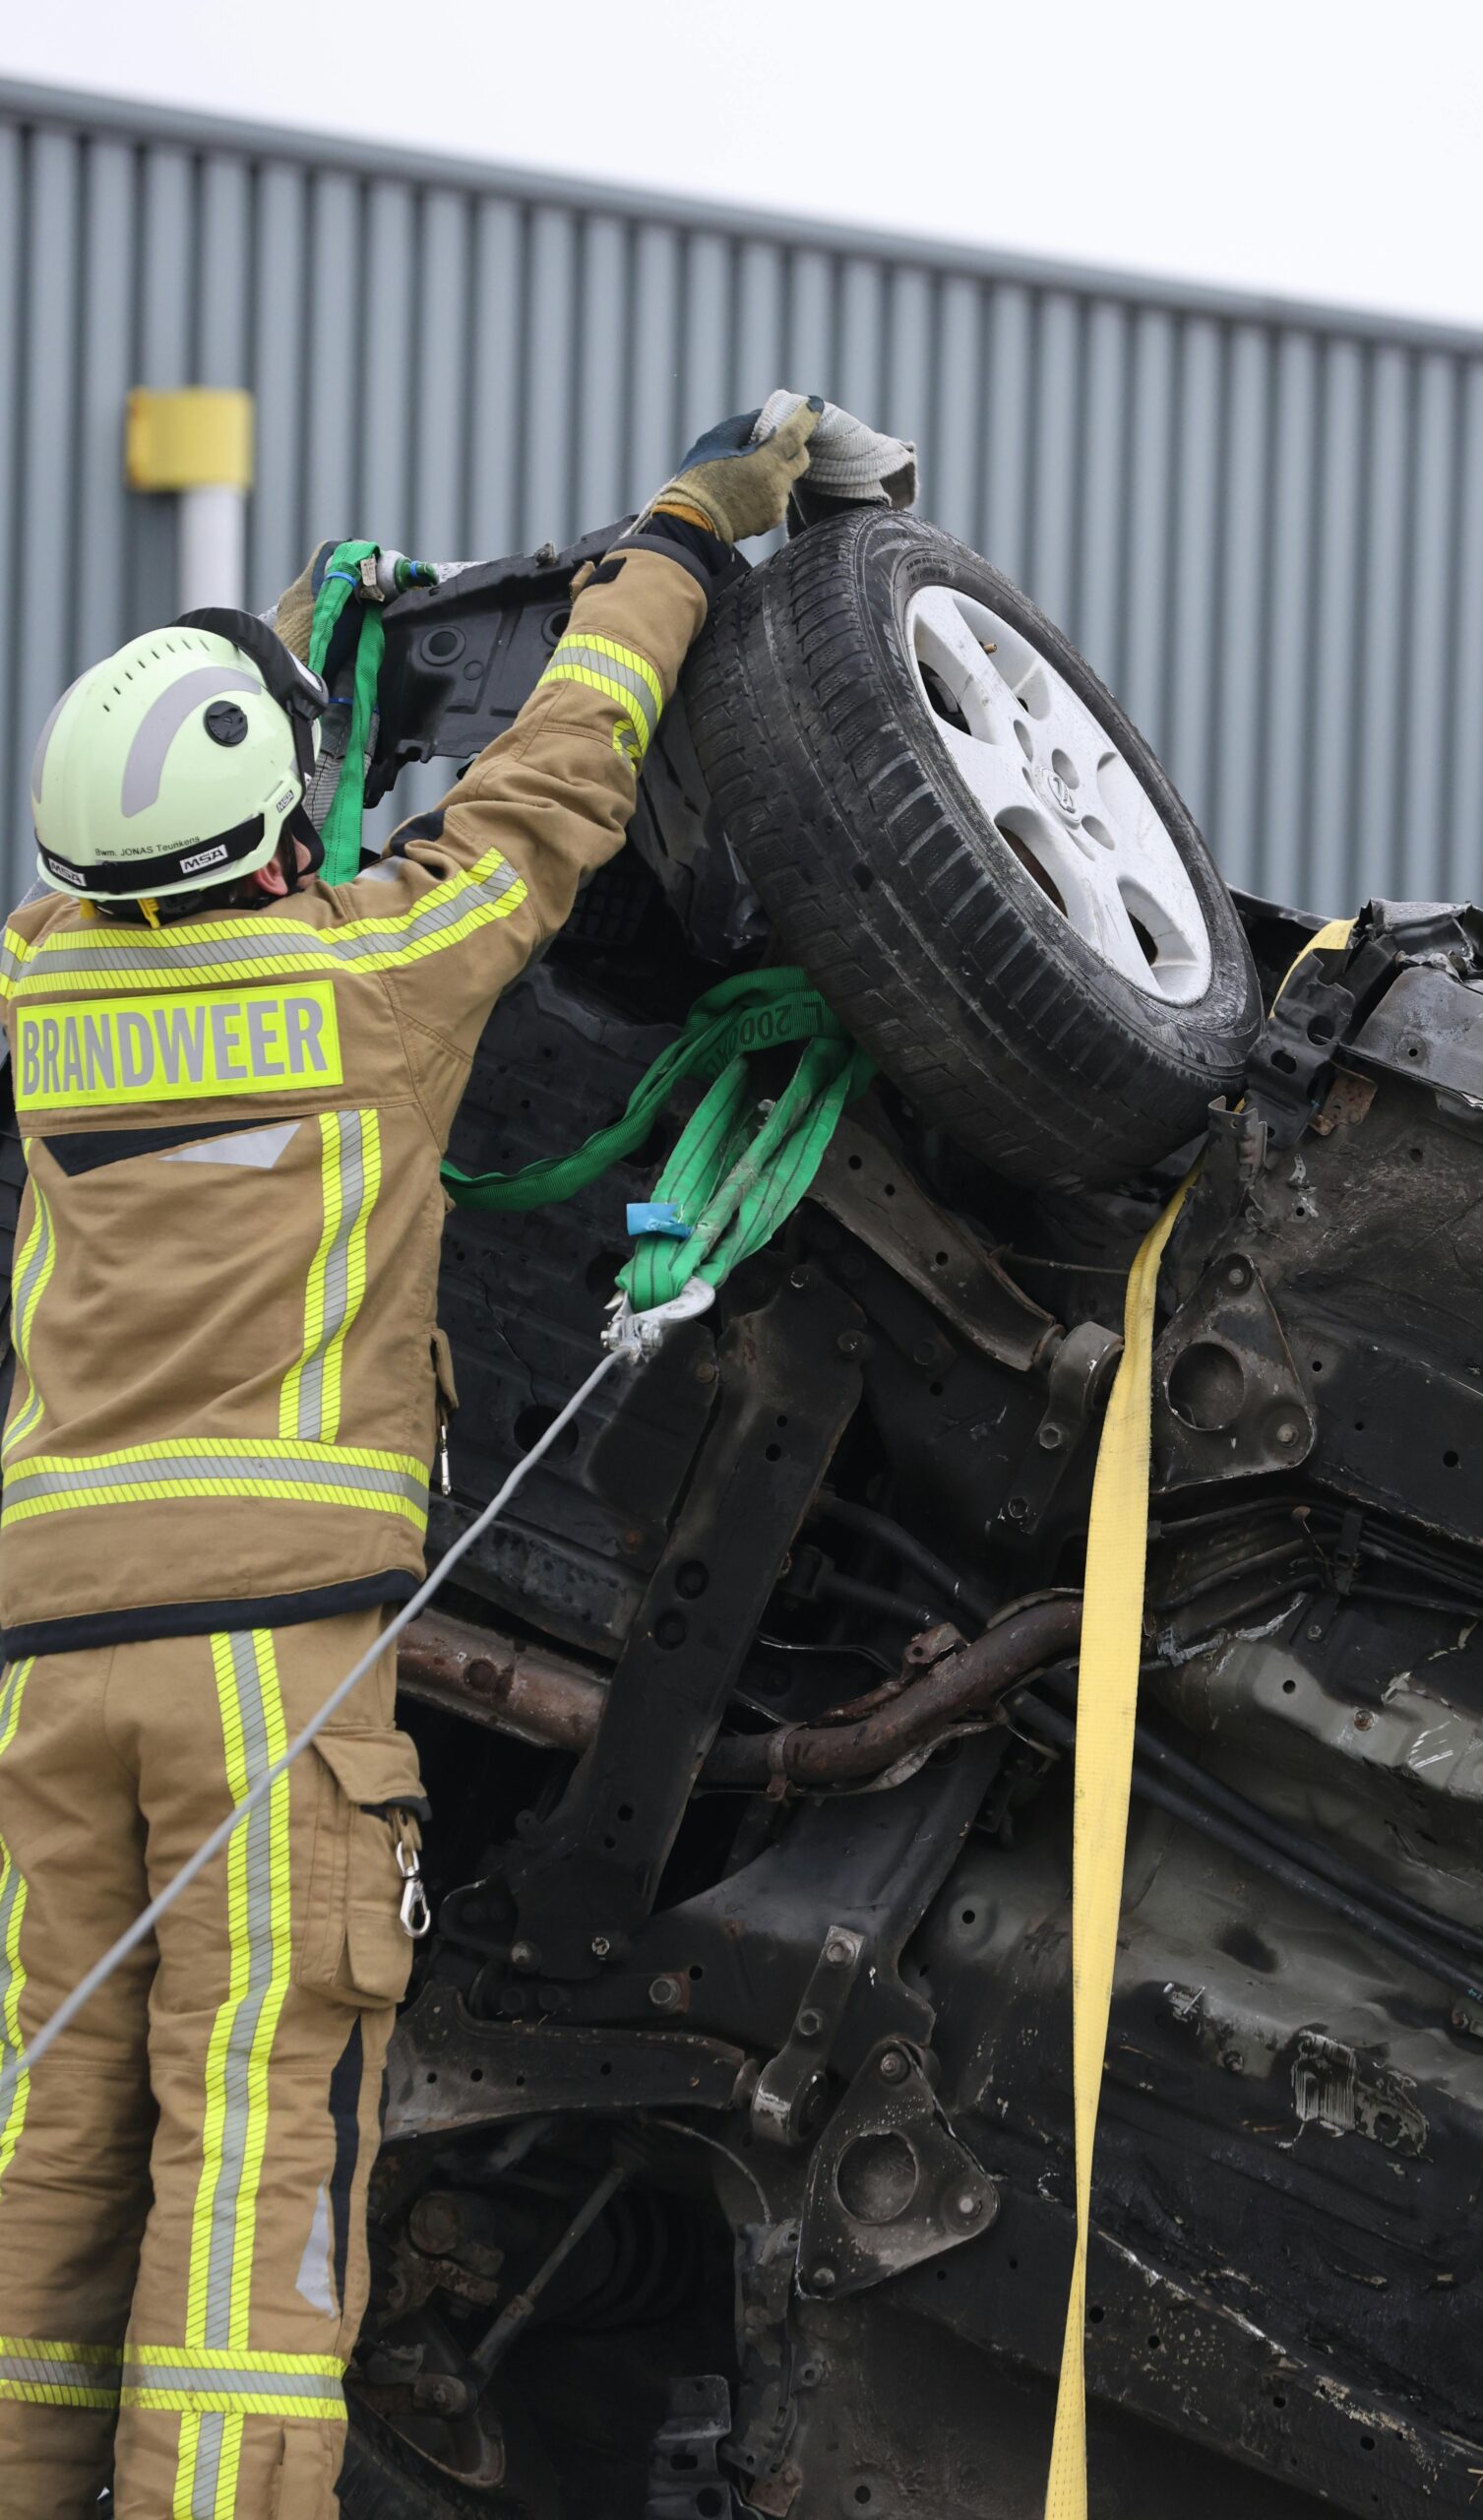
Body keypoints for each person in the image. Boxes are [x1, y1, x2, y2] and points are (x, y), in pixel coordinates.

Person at [0, 399, 822, 2520]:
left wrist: (285, 641)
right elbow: (557, 780)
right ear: (285, 830)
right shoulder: (370, 976)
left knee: (49, 2152)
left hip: (39, 1680)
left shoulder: (37, 1000)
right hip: (263, 1690)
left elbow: (149, 845)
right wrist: (685, 528)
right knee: (252, 2162)